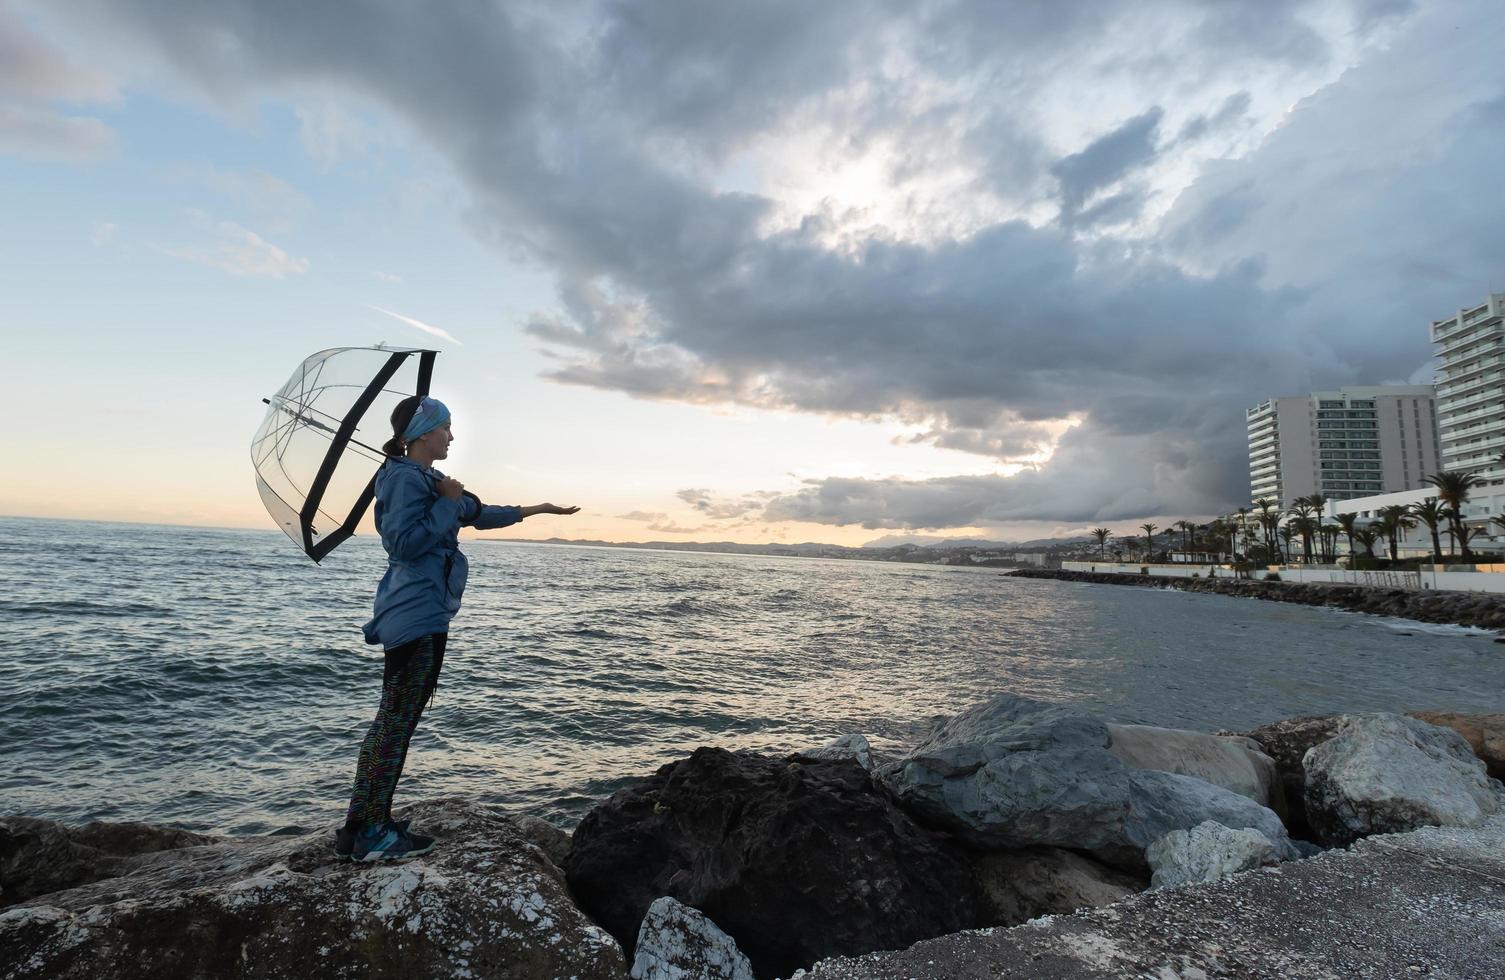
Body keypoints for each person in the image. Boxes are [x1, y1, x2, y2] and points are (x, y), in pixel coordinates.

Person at [338, 394, 579, 862]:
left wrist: (534, 509)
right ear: (425, 433)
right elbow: (404, 544)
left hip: (421, 609)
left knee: (394, 721)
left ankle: (361, 827)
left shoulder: (422, 478)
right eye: (446, 428)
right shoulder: (405, 479)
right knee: (395, 724)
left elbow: (476, 513)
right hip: (415, 611)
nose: (452, 436)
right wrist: (447, 503)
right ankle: (371, 833)